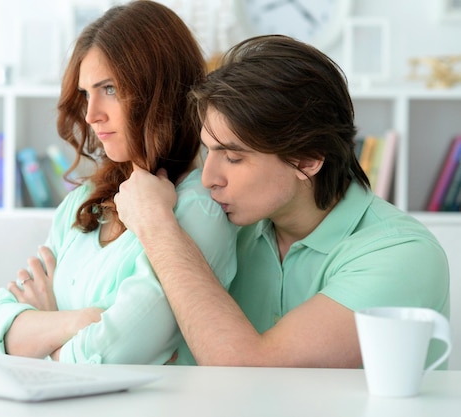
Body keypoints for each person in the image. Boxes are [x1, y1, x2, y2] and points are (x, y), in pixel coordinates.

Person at [114, 34, 450, 368]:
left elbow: (251, 368)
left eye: (232, 157)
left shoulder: (401, 254)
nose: (208, 179)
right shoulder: (231, 225)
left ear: (306, 160)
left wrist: (155, 226)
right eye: (208, 151)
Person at [0, 0, 238, 365]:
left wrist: (44, 332)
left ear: (159, 90)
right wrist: (82, 321)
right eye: (87, 93)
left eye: (110, 89)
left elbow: (114, 354)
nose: (91, 114)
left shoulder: (200, 207)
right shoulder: (82, 202)